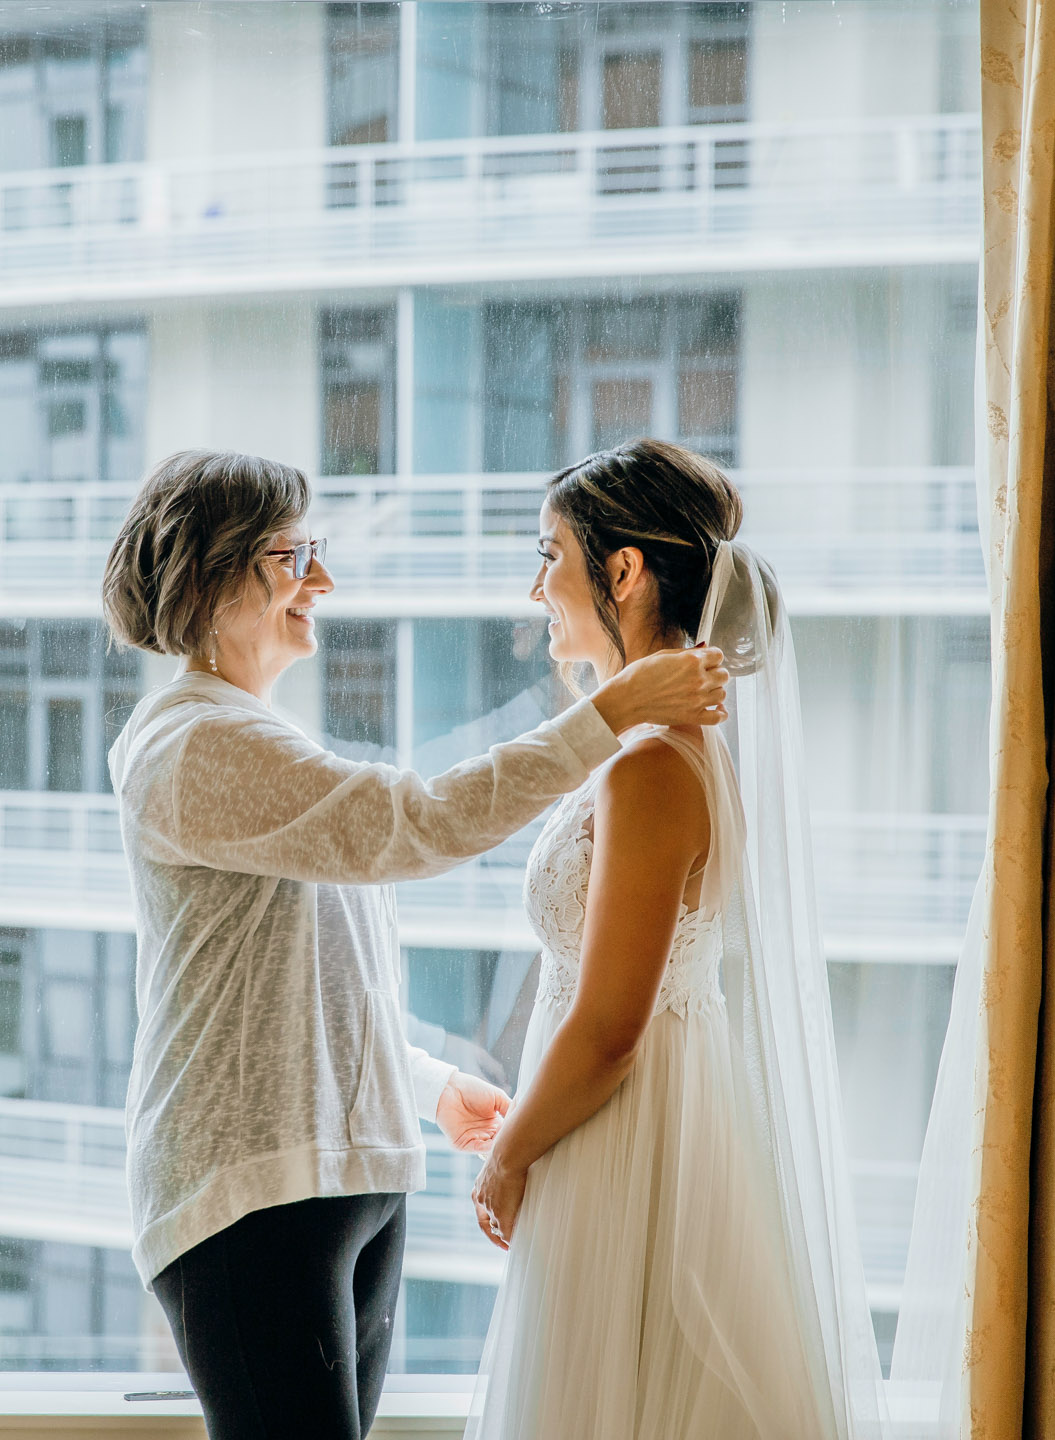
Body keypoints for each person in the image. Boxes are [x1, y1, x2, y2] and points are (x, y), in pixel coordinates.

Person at [100, 450, 729, 1440]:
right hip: (251, 1195)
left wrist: (426, 1080)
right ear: (213, 570)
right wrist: (605, 715)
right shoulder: (191, 748)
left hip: (348, 1177)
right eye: (295, 554)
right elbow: (418, 823)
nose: (323, 580)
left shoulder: (258, 739)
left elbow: (306, 978)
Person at [465, 439, 887, 1439]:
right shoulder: (661, 749)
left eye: (550, 554)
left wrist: (510, 1154)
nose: (537, 587)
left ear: (623, 570)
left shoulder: (647, 767)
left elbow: (612, 1021)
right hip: (651, 1111)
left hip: (627, 1136)